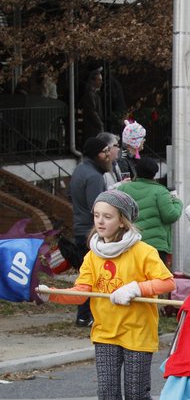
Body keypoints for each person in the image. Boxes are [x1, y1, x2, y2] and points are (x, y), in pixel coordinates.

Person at [37, 190, 175, 400]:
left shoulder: (143, 252)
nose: (100, 222)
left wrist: (137, 288)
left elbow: (166, 283)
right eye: (97, 216)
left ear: (122, 221)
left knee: (135, 395)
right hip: (105, 333)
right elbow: (81, 293)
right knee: (108, 393)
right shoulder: (93, 255)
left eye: (107, 217)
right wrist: (51, 294)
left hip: (137, 332)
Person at [68, 136, 114, 327]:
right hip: (91, 232)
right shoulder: (94, 176)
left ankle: (83, 314)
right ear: (97, 154)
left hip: (80, 229)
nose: (109, 155)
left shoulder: (79, 170)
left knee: (86, 274)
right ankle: (87, 314)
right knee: (95, 275)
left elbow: (71, 196)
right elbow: (97, 207)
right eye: (105, 152)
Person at [119, 157, 182, 266]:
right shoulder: (160, 191)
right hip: (155, 246)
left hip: (128, 243)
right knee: (156, 280)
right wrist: (177, 202)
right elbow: (170, 215)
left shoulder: (122, 189)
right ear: (154, 174)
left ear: (136, 171)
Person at [80, 67, 104, 140]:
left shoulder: (95, 93)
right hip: (92, 128)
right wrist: (100, 124)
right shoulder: (90, 94)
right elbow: (91, 111)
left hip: (95, 126)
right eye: (99, 80)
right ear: (93, 81)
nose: (101, 82)